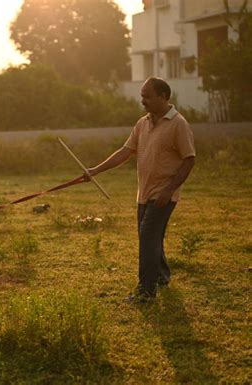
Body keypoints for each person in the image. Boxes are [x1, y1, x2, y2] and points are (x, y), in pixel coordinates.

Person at [85, 77, 196, 303]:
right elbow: (125, 152)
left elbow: (189, 159)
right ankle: (162, 276)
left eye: (147, 96)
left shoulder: (178, 124)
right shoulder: (142, 123)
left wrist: (169, 190)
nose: (142, 100)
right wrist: (95, 170)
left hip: (164, 194)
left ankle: (146, 292)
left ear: (163, 97)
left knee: (147, 237)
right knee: (150, 237)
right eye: (142, 96)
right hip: (144, 193)